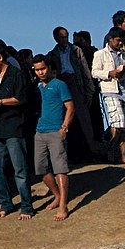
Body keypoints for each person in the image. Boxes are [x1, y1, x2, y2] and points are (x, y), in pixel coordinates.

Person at [0, 41, 34, 220]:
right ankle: (6, 203)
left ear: (0, 57)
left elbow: (22, 98)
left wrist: (0, 102)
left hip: (14, 127)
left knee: (19, 169)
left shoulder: (16, 74)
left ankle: (26, 206)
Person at [31, 54, 74, 221]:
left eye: (42, 69)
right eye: (37, 70)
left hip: (56, 131)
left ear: (48, 68)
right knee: (40, 168)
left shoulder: (59, 85)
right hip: (40, 132)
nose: (40, 72)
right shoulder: (37, 87)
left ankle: (63, 205)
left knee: (60, 168)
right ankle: (56, 195)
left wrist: (64, 128)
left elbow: (70, 107)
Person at [46, 27, 99, 160]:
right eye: (61, 37)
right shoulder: (52, 54)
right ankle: (70, 154)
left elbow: (85, 71)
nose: (64, 40)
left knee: (83, 119)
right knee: (66, 120)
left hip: (75, 83)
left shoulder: (76, 50)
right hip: (61, 85)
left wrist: (89, 91)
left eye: (66, 37)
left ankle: (90, 151)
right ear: (56, 39)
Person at [92, 28, 125, 165]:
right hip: (110, 90)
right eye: (117, 40)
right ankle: (111, 151)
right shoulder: (100, 54)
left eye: (121, 41)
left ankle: (122, 155)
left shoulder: (123, 55)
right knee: (118, 122)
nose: (120, 43)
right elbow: (94, 72)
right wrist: (110, 73)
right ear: (110, 39)